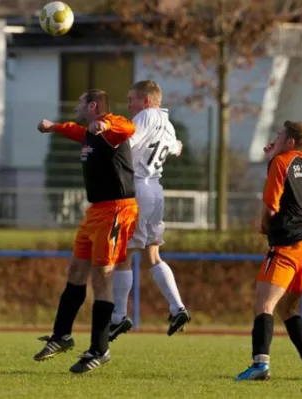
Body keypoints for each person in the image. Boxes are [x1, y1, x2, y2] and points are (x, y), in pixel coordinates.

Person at [32, 89, 139, 374]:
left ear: (93, 106)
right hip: (95, 212)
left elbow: (129, 126)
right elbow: (73, 129)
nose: (76, 106)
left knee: (101, 277)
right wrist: (53, 127)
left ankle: (99, 349)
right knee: (76, 271)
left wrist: (106, 124)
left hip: (117, 209)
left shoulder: (111, 128)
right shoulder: (89, 133)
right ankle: (62, 335)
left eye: (80, 102)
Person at [235, 121, 302, 381]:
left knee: (264, 304)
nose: (274, 139)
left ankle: (259, 364)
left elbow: (271, 207)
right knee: (288, 308)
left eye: (279, 135)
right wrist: (270, 158)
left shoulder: (281, 162)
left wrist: (263, 226)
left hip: (289, 246)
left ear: (290, 142)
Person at [107, 80, 190, 341]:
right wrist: (176, 147)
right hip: (156, 189)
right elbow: (176, 147)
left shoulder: (146, 116)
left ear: (146, 101)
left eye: (132, 99)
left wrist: (105, 143)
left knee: (123, 253)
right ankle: (177, 307)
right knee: (153, 253)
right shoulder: (167, 121)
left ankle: (118, 316)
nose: (129, 104)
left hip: (139, 189)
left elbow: (127, 144)